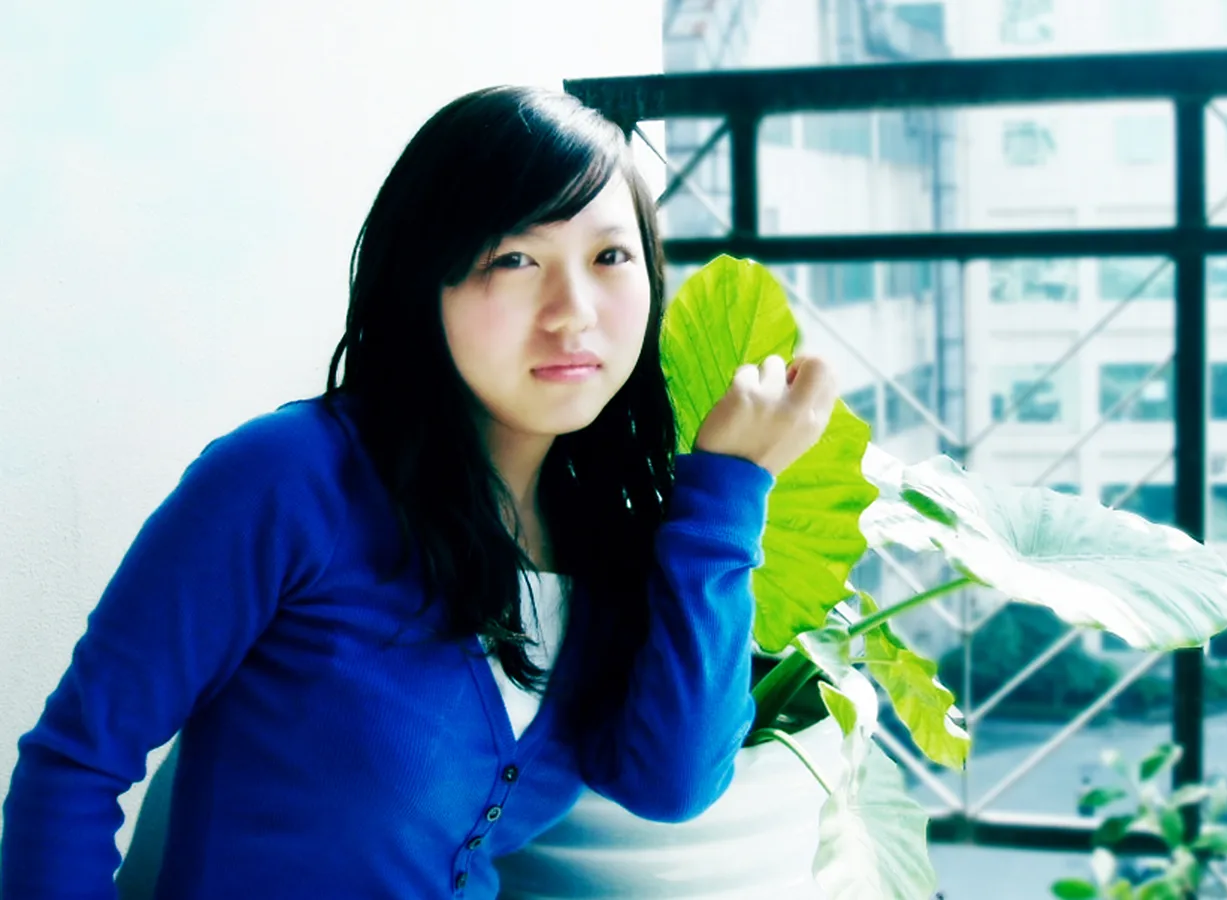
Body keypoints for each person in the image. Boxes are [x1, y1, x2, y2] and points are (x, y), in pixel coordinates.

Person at [1, 85, 837, 898]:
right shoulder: (289, 479)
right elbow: (74, 767)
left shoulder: (602, 532)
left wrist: (731, 491)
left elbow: (670, 785)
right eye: (515, 259)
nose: (574, 312)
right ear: (424, 276)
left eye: (609, 257)